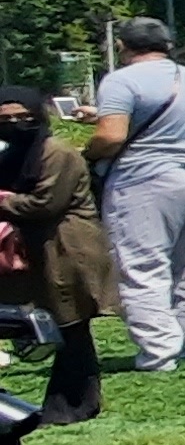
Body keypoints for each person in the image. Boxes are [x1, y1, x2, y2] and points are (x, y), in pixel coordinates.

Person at [85, 17, 185, 375]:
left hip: (143, 179)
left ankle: (158, 351)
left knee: (142, 265)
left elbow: (111, 137)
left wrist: (88, 151)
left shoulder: (121, 80)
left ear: (123, 47)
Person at [0, 90, 112, 426]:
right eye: (5, 120)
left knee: (71, 326)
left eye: (23, 117)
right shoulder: (13, 156)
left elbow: (45, 203)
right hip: (32, 249)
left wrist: (3, 202)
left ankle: (73, 405)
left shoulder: (56, 153)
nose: (15, 125)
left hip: (65, 248)